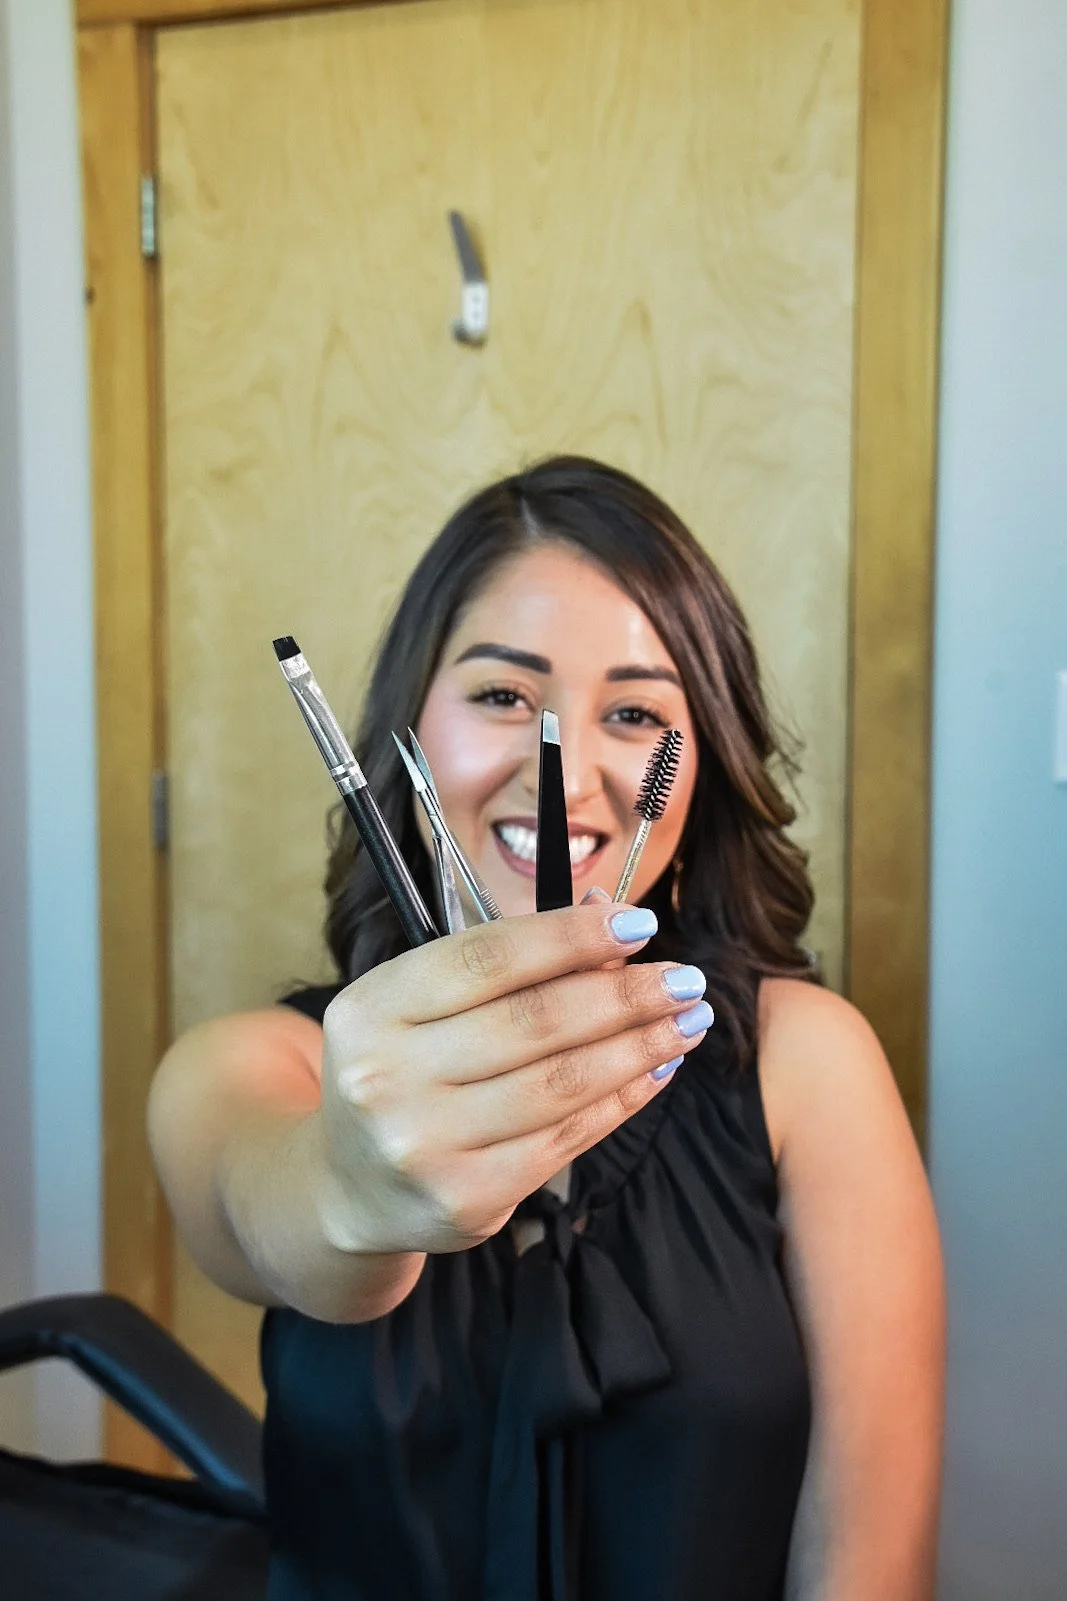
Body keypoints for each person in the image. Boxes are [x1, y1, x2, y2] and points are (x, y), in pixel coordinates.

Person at [149, 457, 945, 1601]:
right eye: (502, 696)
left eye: (631, 713)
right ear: (407, 729)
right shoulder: (243, 1067)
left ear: (698, 769)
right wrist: (357, 1182)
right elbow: (273, 1209)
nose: (556, 770)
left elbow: (867, 1570)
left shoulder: (805, 1061)